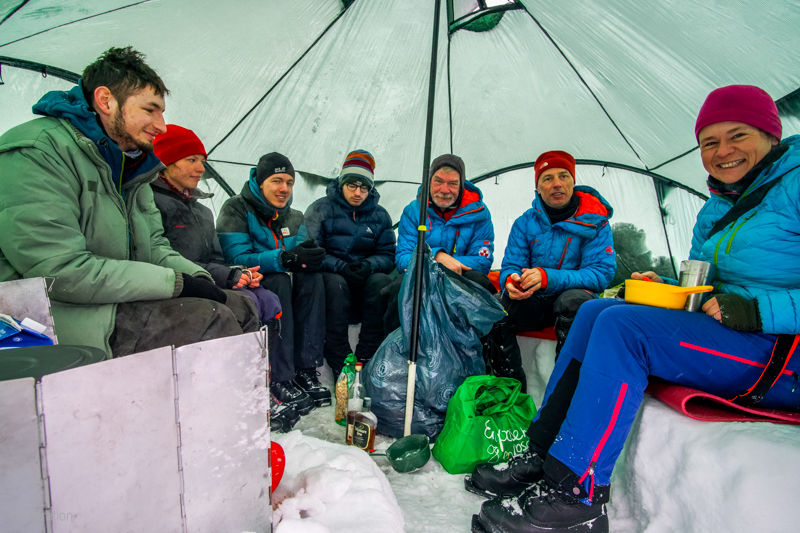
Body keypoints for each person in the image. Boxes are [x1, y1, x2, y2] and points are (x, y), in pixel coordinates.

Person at [467, 85, 800, 533]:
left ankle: (578, 496)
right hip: (737, 335)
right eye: (709, 142)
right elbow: (713, 287)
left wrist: (759, 310)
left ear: (771, 135)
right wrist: (669, 290)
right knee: (594, 314)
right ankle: (543, 452)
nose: (723, 152)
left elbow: (745, 299)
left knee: (622, 327)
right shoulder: (719, 204)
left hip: (783, 353)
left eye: (737, 135)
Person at [0, 47, 256, 358]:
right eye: (150, 110)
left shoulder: (131, 167)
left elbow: (155, 248)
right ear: (106, 100)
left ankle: (233, 402)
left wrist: (200, 279)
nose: (161, 125)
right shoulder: (37, 152)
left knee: (240, 305)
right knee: (209, 321)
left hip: (115, 300)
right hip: (53, 318)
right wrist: (177, 284)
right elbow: (58, 271)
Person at [151, 125, 297, 433]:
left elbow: (217, 257)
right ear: (167, 161)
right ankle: (240, 396)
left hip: (214, 277)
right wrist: (232, 274)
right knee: (240, 307)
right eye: (192, 159)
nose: (201, 168)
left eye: (202, 160)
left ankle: (266, 383)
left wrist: (241, 275)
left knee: (268, 298)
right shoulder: (150, 203)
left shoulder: (202, 211)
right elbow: (165, 257)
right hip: (179, 283)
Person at [216, 152, 330, 415]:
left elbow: (299, 254)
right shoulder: (236, 209)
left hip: (283, 277)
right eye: (277, 181)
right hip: (248, 280)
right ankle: (279, 376)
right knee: (278, 281)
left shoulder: (294, 216)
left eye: (289, 182)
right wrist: (284, 258)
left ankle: (305, 369)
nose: (284, 189)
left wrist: (310, 258)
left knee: (313, 279)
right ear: (260, 181)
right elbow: (235, 257)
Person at [492, 150, 616, 387]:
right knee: (496, 307)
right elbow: (511, 265)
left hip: (574, 299)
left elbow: (601, 274)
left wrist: (548, 277)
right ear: (538, 187)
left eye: (563, 176)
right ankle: (509, 388)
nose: (557, 184)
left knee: (572, 301)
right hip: (535, 301)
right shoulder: (524, 223)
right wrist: (511, 282)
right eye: (547, 178)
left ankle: (566, 387)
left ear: (573, 181)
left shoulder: (596, 222)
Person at [302, 149, 396, 376]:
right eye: (352, 185)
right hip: (333, 274)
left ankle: (367, 353)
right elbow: (310, 249)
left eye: (364, 187)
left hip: (364, 275)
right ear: (341, 183)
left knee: (381, 282)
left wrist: (369, 266)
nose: (357, 192)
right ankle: (339, 356)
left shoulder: (381, 216)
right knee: (336, 284)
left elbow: (387, 254)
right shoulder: (319, 209)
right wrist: (341, 266)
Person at [387, 154, 496, 331]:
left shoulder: (479, 214)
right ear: (429, 181)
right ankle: (398, 349)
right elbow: (403, 257)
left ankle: (472, 350)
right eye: (438, 181)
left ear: (461, 185)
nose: (445, 190)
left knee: (479, 281)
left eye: (452, 183)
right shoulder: (414, 211)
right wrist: (437, 257)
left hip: (460, 278)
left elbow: (482, 261)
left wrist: (448, 265)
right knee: (400, 286)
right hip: (422, 276)